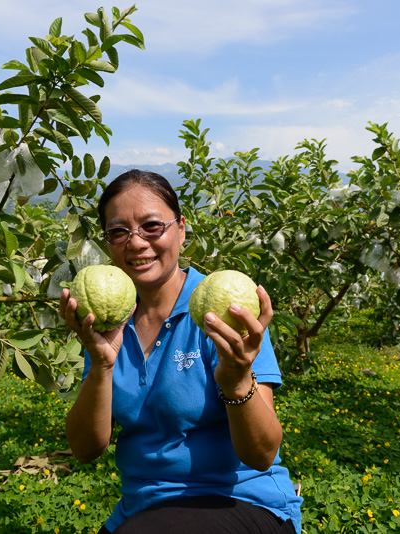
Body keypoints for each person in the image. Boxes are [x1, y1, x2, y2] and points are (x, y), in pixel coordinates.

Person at [59, 169, 303, 533]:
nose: (136, 242)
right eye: (119, 231)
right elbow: (84, 449)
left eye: (152, 226)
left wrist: (237, 382)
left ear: (181, 229)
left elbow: (262, 454)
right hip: (145, 510)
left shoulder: (223, 313)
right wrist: (100, 367)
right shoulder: (110, 318)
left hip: (241, 500)